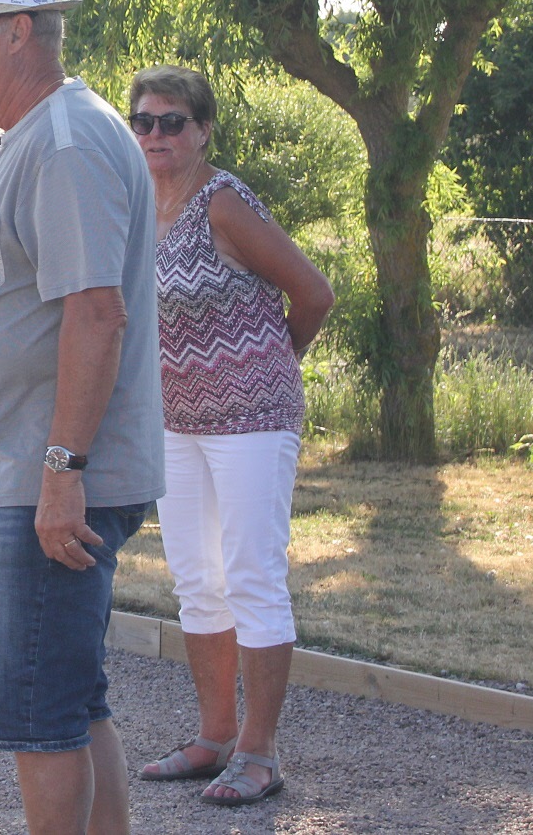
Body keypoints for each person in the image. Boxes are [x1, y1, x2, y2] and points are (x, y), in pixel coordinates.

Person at [0, 0, 164, 835]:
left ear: (18, 30)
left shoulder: (63, 143)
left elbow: (96, 315)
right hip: (44, 471)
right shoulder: (40, 135)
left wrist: (63, 472)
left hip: (54, 476)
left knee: (37, 704)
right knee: (71, 695)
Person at [126, 65, 333, 808]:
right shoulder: (137, 202)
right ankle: (214, 736)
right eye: (143, 121)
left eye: (172, 121)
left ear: (204, 129)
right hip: (175, 421)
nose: (155, 134)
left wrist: (268, 362)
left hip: (251, 419)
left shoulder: (223, 202)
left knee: (252, 576)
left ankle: (259, 752)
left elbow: (313, 293)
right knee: (196, 580)